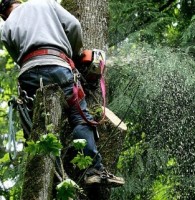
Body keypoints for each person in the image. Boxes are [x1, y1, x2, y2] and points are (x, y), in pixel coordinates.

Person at [0, 0, 124, 187]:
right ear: (19, 1)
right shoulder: (45, 3)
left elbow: (16, 55)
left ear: (3, 14)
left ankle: (43, 181)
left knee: (39, 126)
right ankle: (93, 171)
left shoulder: (6, 24)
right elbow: (74, 25)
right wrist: (74, 53)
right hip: (58, 66)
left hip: (28, 74)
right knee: (80, 117)